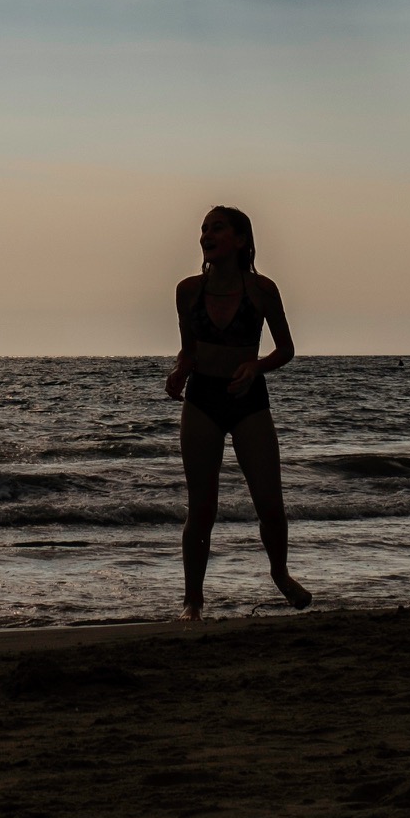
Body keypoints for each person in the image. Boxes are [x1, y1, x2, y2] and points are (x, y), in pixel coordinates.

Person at [164, 205, 311, 619]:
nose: (207, 235)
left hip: (249, 399)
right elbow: (190, 350)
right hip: (202, 398)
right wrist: (179, 370)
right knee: (202, 508)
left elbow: (286, 349)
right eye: (204, 229)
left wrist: (255, 365)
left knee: (269, 504)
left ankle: (280, 574)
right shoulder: (187, 291)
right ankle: (193, 601)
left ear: (241, 240)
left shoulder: (262, 290)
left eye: (217, 228)